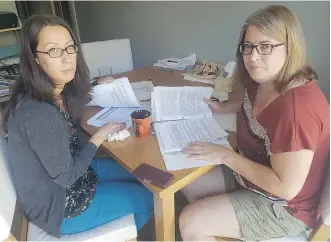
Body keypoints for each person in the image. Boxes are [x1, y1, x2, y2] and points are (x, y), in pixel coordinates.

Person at [179, 5, 330, 241]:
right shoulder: (262, 78)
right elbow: (246, 103)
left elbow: (285, 187)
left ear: (290, 47)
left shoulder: (296, 111)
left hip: (285, 207)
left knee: (190, 220)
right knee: (187, 180)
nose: (253, 56)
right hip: (250, 177)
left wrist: (226, 156)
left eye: (266, 46)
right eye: (247, 46)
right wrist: (221, 107)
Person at [3, 15, 153, 238]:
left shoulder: (48, 89)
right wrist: (98, 137)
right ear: (34, 58)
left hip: (68, 176)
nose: (67, 59)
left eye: (70, 48)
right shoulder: (38, 114)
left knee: (140, 175)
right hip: (57, 205)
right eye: (53, 51)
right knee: (148, 197)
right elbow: (68, 177)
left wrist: (95, 84)